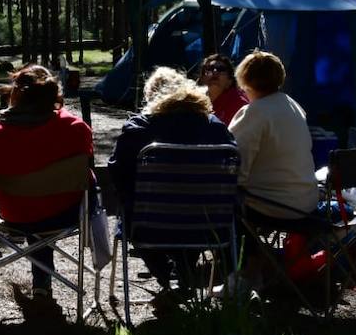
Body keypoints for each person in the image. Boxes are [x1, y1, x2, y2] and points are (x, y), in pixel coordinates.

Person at [0, 65, 93, 309]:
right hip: (66, 214)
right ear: (54, 96)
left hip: (16, 216)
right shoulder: (76, 129)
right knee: (46, 201)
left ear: (15, 95)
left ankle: (42, 281)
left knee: (34, 207)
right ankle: (42, 282)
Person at [107, 67, 237, 288]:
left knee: (137, 213)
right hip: (209, 224)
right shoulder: (215, 128)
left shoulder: (139, 129)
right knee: (191, 207)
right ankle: (182, 273)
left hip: (150, 226)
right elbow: (234, 168)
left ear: (150, 97)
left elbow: (118, 173)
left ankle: (168, 277)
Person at [228, 51, 318, 220]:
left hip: (273, 205)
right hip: (307, 202)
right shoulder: (293, 105)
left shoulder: (253, 113)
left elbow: (235, 165)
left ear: (244, 80)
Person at [198, 53, 250, 125]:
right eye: (209, 68)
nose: (215, 72)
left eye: (221, 69)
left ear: (229, 81)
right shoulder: (195, 103)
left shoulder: (239, 104)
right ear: (202, 78)